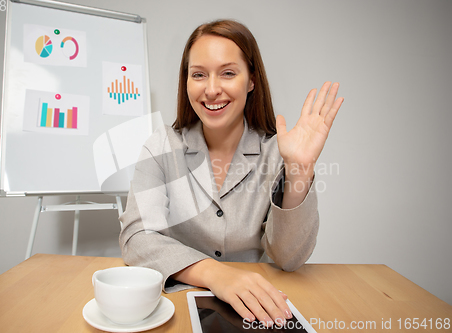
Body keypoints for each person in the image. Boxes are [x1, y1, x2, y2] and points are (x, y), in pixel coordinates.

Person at [119, 19, 344, 326]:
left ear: (251, 80)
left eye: (228, 73)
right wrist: (214, 274)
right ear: (186, 82)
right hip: (175, 305)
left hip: (255, 308)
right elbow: (136, 237)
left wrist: (299, 170)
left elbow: (289, 258)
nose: (212, 90)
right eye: (198, 75)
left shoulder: (280, 151)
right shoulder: (160, 145)